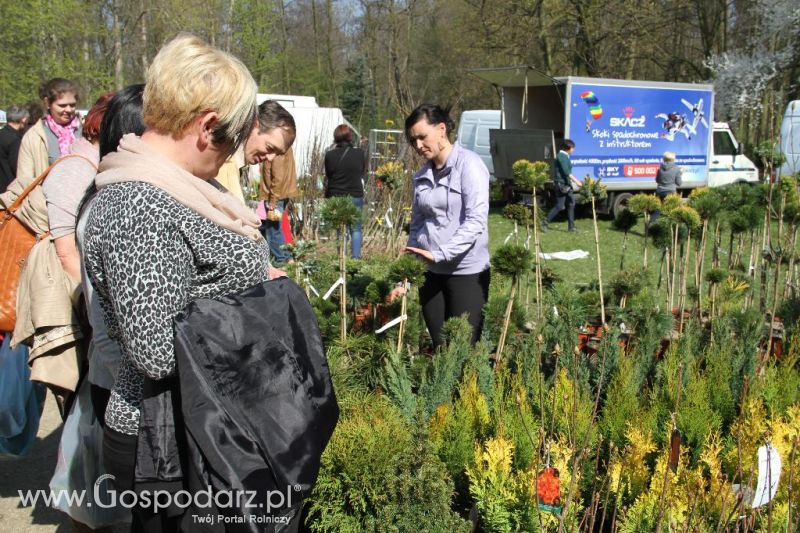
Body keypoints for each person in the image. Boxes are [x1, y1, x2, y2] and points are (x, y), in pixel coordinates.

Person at [81, 35, 290, 531]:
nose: (234, 155)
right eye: (235, 140)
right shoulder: (138, 203)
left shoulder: (185, 187)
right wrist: (261, 315)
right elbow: (156, 350)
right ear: (208, 126)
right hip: (169, 446)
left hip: (207, 426)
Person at [404, 104, 491, 347]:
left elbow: (476, 221)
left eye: (422, 137)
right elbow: (417, 227)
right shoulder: (421, 176)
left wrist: (440, 254)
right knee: (441, 347)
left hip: (466, 273)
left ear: (441, 129)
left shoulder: (469, 166)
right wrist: (406, 276)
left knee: (462, 350)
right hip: (430, 275)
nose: (418, 145)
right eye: (413, 141)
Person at [17, 78, 82, 182]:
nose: (69, 110)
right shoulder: (33, 137)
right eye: (62, 105)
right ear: (47, 103)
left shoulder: (86, 130)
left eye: (72, 105)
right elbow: (24, 180)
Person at [324, 124, 365, 258]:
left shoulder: (330, 155)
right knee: (356, 229)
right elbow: (362, 172)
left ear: (335, 137)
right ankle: (356, 259)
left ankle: (342, 257)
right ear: (350, 136)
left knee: (340, 229)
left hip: (337, 196)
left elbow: (329, 175)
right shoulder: (359, 153)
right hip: (355, 195)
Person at [258, 145, 298, 264]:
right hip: (279, 194)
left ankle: (282, 260)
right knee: (276, 229)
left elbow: (278, 176)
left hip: (275, 194)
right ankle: (287, 258)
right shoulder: (283, 143)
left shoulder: (277, 145)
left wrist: (273, 200)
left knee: (272, 231)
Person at [543, 139, 582, 232]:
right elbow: (567, 172)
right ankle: (544, 222)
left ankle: (571, 227)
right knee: (560, 206)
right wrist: (577, 182)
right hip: (562, 185)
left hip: (567, 184)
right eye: (573, 148)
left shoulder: (565, 156)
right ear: (568, 148)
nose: (573, 150)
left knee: (571, 204)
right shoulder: (562, 157)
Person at [0, 105, 29, 192]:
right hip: (8, 187)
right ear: (23, 119)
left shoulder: (2, 134)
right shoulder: (15, 140)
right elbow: (17, 166)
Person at [651, 150, 683, 222]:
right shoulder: (677, 169)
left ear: (664, 159)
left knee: (656, 211)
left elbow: (657, 180)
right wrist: (680, 174)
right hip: (671, 193)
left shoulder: (660, 168)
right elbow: (679, 183)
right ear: (673, 159)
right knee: (671, 212)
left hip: (660, 192)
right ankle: (668, 229)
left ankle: (651, 226)